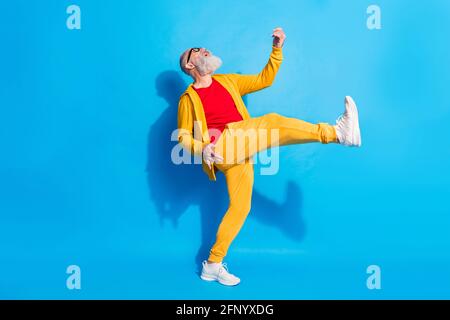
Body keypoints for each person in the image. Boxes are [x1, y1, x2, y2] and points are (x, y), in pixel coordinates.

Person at [177, 27, 361, 286]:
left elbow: (264, 80)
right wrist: (201, 148)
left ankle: (212, 264)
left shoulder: (228, 81)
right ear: (189, 64)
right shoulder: (188, 98)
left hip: (240, 148)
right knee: (273, 122)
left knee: (241, 208)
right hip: (222, 145)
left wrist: (276, 50)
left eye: (203, 47)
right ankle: (336, 133)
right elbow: (183, 136)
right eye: (197, 50)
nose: (203, 49)